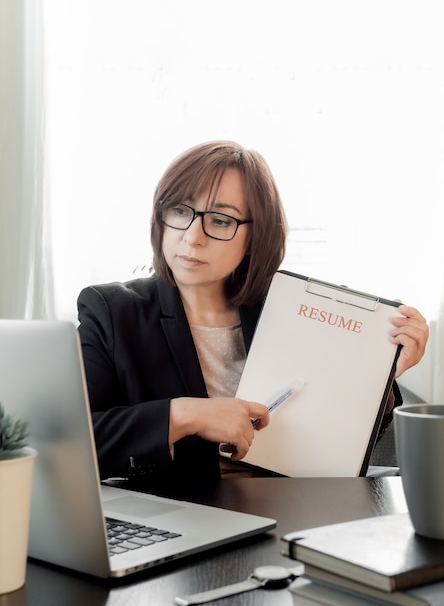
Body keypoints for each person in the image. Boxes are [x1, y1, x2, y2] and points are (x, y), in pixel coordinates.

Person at [77, 140, 429, 491]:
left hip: (293, 502)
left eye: (220, 219)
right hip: (186, 513)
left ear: (255, 236)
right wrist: (184, 415)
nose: (193, 236)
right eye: (181, 211)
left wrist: (376, 375)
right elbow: (76, 442)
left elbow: (331, 449)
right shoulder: (111, 311)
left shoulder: (292, 311)